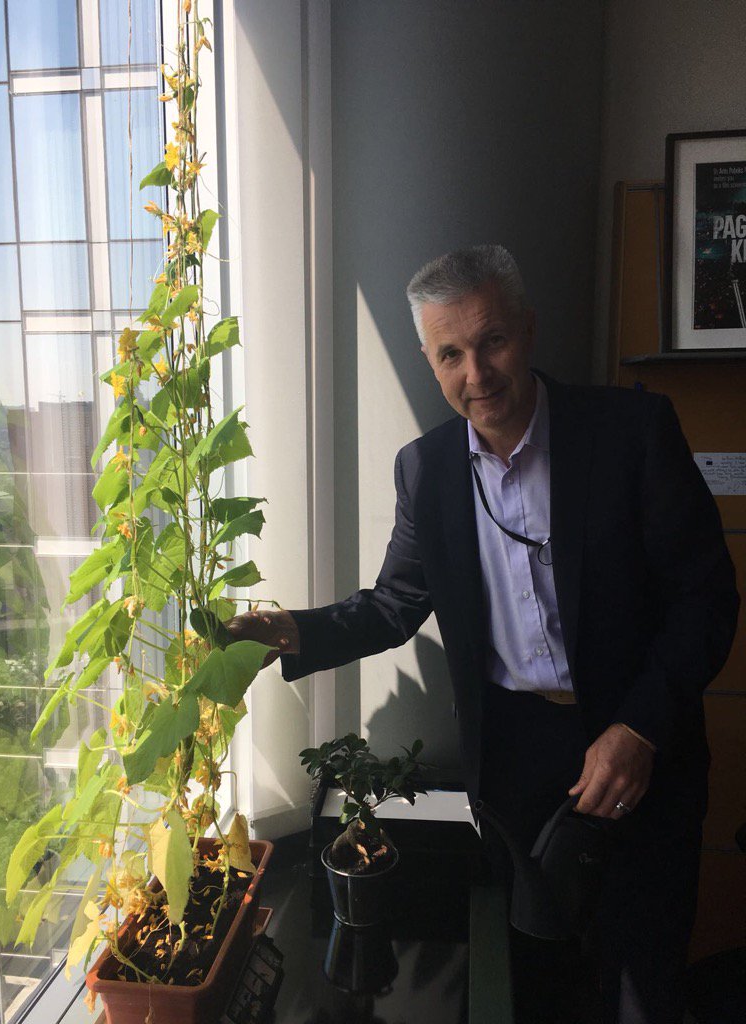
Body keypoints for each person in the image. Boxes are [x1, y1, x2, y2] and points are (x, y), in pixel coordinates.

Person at [226, 244, 739, 1023]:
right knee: (538, 981)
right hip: (518, 764)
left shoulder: (631, 431)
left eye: (492, 341)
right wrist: (282, 631)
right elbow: (394, 605)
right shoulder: (426, 471)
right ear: (430, 362)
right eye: (451, 354)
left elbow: (705, 598)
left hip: (640, 738)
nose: (477, 373)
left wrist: (640, 728)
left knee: (643, 983)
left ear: (527, 331)